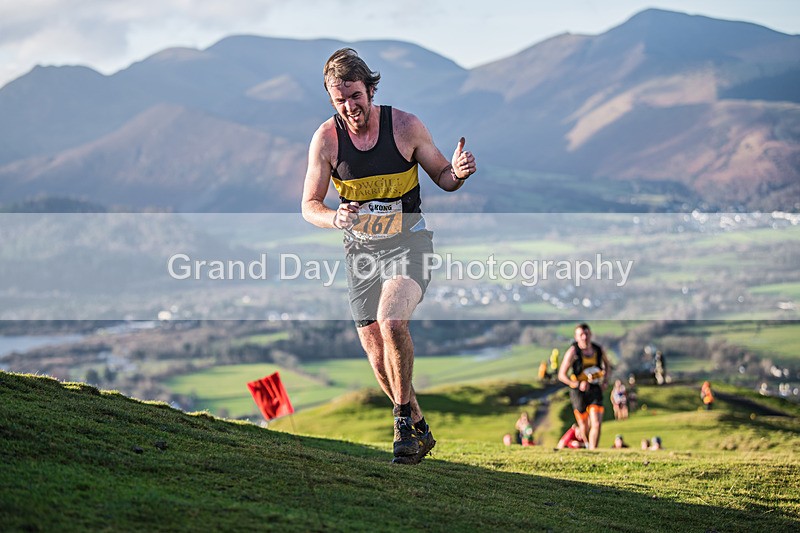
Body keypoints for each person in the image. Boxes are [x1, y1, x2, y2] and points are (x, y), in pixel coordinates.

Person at [301, 48, 477, 465]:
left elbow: (443, 178)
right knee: (377, 356)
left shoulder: (405, 126)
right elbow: (309, 204)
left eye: (355, 96)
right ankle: (417, 424)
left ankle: (400, 424)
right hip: (361, 255)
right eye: (339, 100)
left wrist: (459, 172)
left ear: (371, 89)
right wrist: (334, 216)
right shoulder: (327, 139)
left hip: (409, 245)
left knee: (392, 320)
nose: (350, 107)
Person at [558, 323, 611, 450]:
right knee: (584, 425)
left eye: (586, 334)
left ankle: (594, 450)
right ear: (576, 337)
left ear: (590, 334)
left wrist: (605, 381)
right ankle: (587, 445)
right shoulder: (573, 352)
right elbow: (561, 375)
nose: (584, 337)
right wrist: (577, 384)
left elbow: (608, 366)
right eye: (581, 334)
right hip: (578, 391)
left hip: (595, 388)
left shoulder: (598, 350)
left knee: (596, 423)